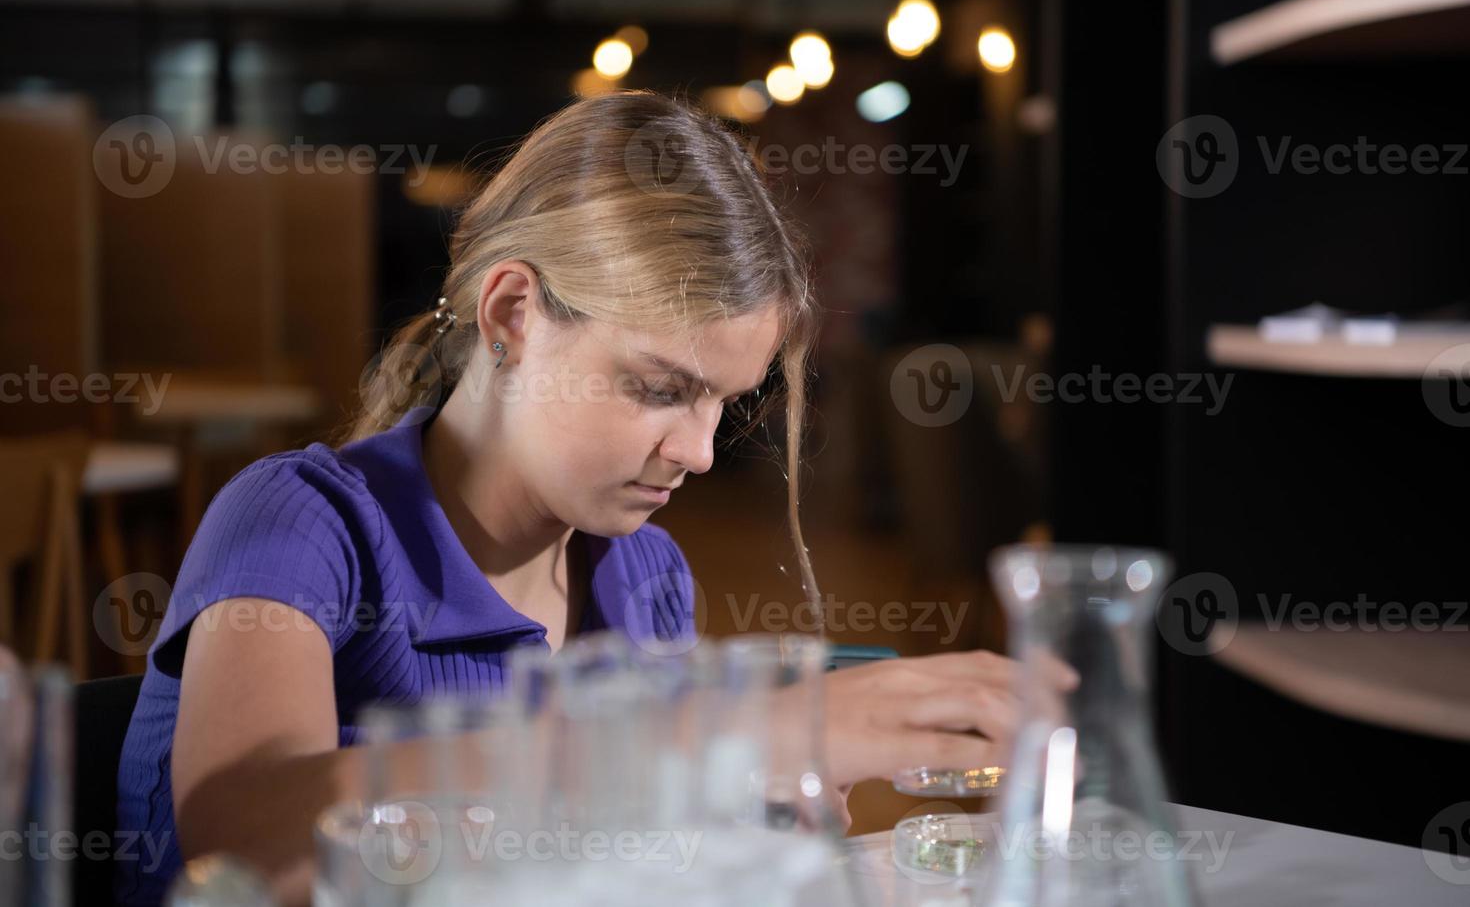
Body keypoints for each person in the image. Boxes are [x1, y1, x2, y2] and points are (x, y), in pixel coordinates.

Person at [115, 91, 1065, 905]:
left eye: (725, 404)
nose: (697, 453)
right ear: (512, 315)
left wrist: (735, 817)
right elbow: (239, 840)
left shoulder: (647, 576)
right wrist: (719, 736)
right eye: (659, 388)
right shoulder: (302, 523)